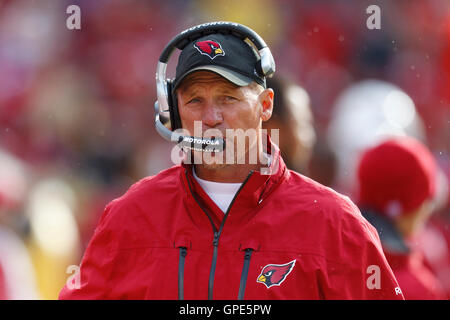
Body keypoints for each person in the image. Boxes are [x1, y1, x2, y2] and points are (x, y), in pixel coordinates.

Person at [59, 22, 403, 300]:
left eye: (228, 97)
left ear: (266, 105)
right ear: (174, 112)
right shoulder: (130, 216)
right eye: (195, 100)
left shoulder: (336, 224)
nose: (211, 116)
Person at [357, 137, 447, 300]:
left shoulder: (332, 257)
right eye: (426, 201)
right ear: (407, 208)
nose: (427, 209)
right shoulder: (414, 288)